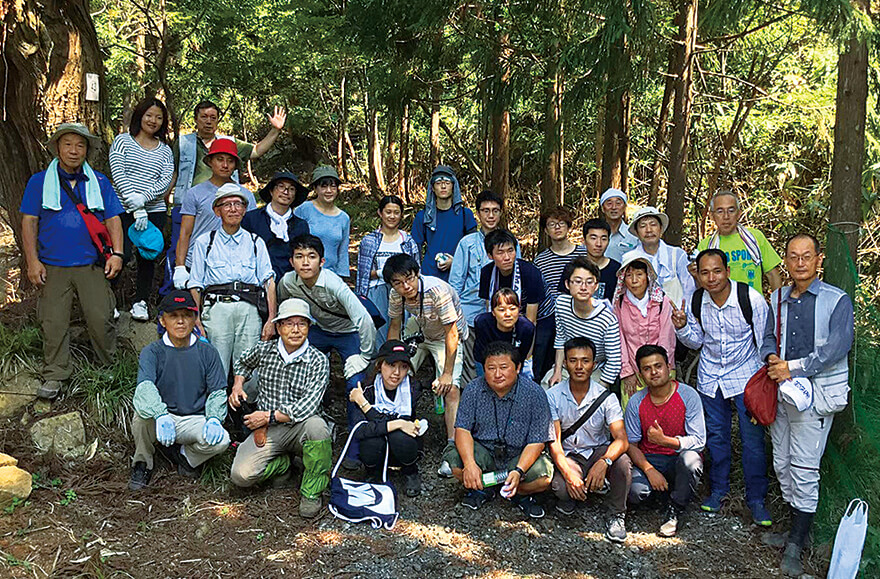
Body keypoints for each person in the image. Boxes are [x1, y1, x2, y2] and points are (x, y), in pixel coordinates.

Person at [760, 234, 854, 577]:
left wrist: (794, 367)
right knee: (782, 462)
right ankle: (794, 528)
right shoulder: (778, 298)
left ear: (818, 259)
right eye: (793, 256)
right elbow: (768, 335)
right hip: (783, 392)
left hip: (817, 395)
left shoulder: (836, 299)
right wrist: (771, 356)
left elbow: (837, 346)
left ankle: (797, 544)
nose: (800, 263)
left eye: (807, 256)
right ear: (785, 260)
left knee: (804, 466)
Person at [20, 123, 125, 400]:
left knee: (101, 317)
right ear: (57, 147)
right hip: (52, 264)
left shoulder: (99, 181)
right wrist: (32, 261)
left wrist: (117, 253)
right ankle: (55, 373)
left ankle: (107, 367)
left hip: (91, 263)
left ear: (87, 150)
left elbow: (113, 219)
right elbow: (29, 222)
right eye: (68, 144)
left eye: (80, 145)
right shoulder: (40, 181)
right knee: (53, 321)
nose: (74, 151)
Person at [671, 249, 772, 525]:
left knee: (752, 441)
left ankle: (756, 500)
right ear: (698, 275)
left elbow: (765, 341)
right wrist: (680, 327)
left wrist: (765, 382)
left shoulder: (749, 298)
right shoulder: (696, 300)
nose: (711, 278)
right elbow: (696, 342)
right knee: (716, 437)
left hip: (747, 377)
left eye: (717, 271)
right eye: (704, 272)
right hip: (711, 377)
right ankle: (718, 491)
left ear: (727, 271)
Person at [163, 101, 286, 295]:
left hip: (229, 249)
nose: (208, 122)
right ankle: (172, 301)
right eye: (204, 117)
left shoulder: (241, 188)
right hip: (189, 208)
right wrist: (163, 199)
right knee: (181, 256)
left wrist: (275, 131)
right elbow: (175, 172)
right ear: (195, 119)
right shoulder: (184, 143)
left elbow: (255, 151)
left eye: (213, 117)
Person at [277, 234, 376, 468]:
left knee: (356, 383)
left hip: (348, 332)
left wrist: (364, 356)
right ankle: (303, 435)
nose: (305, 263)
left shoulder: (333, 283)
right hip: (318, 330)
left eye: (311, 257)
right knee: (299, 372)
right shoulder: (288, 282)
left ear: (322, 261)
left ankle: (355, 447)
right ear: (291, 261)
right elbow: (285, 308)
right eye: (299, 257)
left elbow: (363, 319)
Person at [228, 298, 332, 519]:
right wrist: (238, 384)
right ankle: (284, 466)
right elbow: (243, 362)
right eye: (288, 324)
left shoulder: (318, 360)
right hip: (268, 429)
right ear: (278, 327)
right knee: (241, 476)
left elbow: (309, 405)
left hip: (300, 426)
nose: (295, 330)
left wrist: (267, 416)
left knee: (318, 427)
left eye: (301, 324)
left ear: (309, 327)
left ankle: (312, 491)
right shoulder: (264, 350)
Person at [128, 290, 230, 490]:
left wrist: (215, 418)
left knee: (222, 440)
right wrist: (160, 414)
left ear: (194, 319)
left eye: (186, 315)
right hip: (163, 416)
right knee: (141, 417)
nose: (180, 321)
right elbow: (145, 387)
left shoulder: (207, 352)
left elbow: (217, 391)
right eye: (173, 316)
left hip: (194, 419)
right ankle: (143, 463)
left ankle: (185, 457)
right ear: (162, 321)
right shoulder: (153, 352)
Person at [443, 341, 554, 518]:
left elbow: (538, 440)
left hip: (517, 455)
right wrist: (470, 464)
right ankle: (483, 489)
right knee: (455, 463)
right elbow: (462, 428)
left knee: (544, 478)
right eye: (491, 368)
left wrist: (519, 471)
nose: (497, 374)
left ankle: (518, 492)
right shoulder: (473, 389)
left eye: (503, 367)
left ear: (517, 368)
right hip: (485, 453)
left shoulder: (534, 394)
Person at [384, 253, 468, 475]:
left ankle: (453, 450)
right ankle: (396, 427)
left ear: (417, 273)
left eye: (409, 278)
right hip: (420, 328)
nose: (406, 286)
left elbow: (452, 333)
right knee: (394, 374)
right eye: (398, 283)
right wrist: (390, 360)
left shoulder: (436, 290)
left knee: (451, 390)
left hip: (446, 335)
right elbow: (394, 325)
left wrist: (447, 374)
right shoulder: (396, 294)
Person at [547, 338, 631, 543]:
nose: (579, 366)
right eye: (573, 360)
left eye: (585, 361)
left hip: (596, 452)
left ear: (594, 365)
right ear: (565, 363)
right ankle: (577, 493)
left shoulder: (606, 397)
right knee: (560, 487)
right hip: (569, 455)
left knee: (623, 462)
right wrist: (568, 474)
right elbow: (554, 443)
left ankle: (617, 514)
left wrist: (604, 462)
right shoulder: (553, 395)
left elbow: (622, 439)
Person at [187, 186, 276, 378]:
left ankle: (247, 407)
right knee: (216, 367)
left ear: (245, 210)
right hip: (217, 307)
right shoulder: (205, 242)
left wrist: (271, 319)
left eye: (238, 204)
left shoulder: (255, 242)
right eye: (227, 205)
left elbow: (269, 281)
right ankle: (216, 407)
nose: (233, 209)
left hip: (250, 309)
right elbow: (195, 284)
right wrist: (197, 321)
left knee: (250, 368)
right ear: (217, 211)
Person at [625, 345, 705, 538]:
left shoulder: (688, 395)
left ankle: (675, 509)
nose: (654, 372)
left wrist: (666, 441)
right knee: (635, 492)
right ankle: (661, 495)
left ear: (669, 367)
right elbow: (631, 445)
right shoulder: (636, 402)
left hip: (678, 457)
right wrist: (649, 470)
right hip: (651, 458)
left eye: (658, 366)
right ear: (640, 374)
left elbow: (700, 440)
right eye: (647, 368)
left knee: (691, 461)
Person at [108, 97, 174, 320]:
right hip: (122, 209)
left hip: (154, 210)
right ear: (140, 116)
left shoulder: (165, 150)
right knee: (121, 253)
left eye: (158, 117)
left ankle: (141, 302)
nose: (153, 121)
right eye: (149, 115)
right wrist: (133, 203)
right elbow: (118, 172)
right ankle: (108, 300)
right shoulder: (122, 142)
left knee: (148, 256)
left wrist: (143, 199)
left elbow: (165, 180)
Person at [173, 140, 258, 288]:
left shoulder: (245, 195)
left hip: (232, 263)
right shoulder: (195, 193)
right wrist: (180, 267)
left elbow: (251, 232)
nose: (225, 165)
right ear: (210, 162)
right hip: (197, 260)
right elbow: (185, 233)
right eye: (220, 159)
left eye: (230, 161)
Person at [449, 190, 511, 386]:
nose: (491, 216)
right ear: (478, 213)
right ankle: (473, 405)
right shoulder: (467, 244)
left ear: (501, 213)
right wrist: (454, 316)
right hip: (471, 314)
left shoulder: (510, 243)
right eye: (486, 211)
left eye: (495, 211)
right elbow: (456, 283)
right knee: (471, 365)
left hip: (503, 315)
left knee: (499, 364)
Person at [348, 340, 424, 497]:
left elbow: (406, 423)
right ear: (379, 365)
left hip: (401, 448)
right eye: (391, 365)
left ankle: (410, 471)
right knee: (371, 437)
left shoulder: (412, 387)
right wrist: (399, 423)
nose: (396, 372)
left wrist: (366, 407)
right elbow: (359, 430)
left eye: (403, 367)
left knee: (400, 435)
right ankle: (372, 472)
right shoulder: (366, 387)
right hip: (376, 449)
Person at [533, 206, 589, 382]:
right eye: (551, 224)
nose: (557, 227)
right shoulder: (540, 260)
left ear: (569, 226)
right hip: (550, 316)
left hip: (579, 312)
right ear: (545, 230)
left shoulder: (583, 253)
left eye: (561, 223)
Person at [612, 254, 676, 407]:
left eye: (639, 274)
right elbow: (619, 339)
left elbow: (666, 338)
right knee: (633, 412)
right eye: (629, 275)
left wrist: (659, 369)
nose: (634, 280)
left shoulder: (662, 301)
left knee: (664, 410)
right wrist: (627, 371)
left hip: (661, 368)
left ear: (648, 276)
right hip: (633, 371)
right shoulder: (619, 304)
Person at [356, 195, 420, 346]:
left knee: (403, 331)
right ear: (380, 213)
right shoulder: (369, 241)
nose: (392, 216)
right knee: (378, 332)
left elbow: (416, 271)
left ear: (401, 215)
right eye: (388, 212)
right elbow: (363, 274)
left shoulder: (408, 241)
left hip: (403, 291)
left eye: (396, 212)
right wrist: (382, 273)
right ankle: (379, 366)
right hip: (376, 290)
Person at [549, 258, 621, 389]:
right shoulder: (561, 304)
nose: (583, 287)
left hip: (595, 368)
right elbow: (561, 339)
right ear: (567, 284)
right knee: (548, 391)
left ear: (596, 286)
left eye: (589, 282)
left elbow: (614, 361)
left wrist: (600, 390)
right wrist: (557, 371)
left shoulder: (607, 319)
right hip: (568, 365)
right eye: (577, 282)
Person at [695, 190, 782, 293]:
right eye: (720, 211)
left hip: (753, 305)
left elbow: (772, 274)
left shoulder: (755, 238)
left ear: (739, 213)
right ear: (712, 216)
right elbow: (702, 284)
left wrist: (779, 305)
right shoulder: (705, 246)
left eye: (731, 210)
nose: (726, 217)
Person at [411, 165, 478, 281]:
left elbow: (473, 247)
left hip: (458, 276)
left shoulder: (465, 214)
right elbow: (414, 248)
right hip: (429, 275)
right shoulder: (423, 216)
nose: (443, 186)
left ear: (453, 186)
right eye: (438, 183)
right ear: (432, 188)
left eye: (447, 182)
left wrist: (456, 261)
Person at [241, 171, 310, 281]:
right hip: (255, 281)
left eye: (291, 189)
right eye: (281, 187)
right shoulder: (251, 219)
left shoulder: (300, 225)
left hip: (289, 282)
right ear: (271, 191)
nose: (286, 192)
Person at [627, 207, 695, 304]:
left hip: (676, 316)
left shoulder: (677, 255)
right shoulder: (630, 258)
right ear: (637, 233)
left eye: (653, 225)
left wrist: (684, 314)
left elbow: (689, 290)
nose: (649, 230)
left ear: (661, 229)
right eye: (643, 226)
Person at [478, 229, 545, 327]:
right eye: (500, 253)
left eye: (510, 251)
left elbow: (531, 321)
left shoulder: (530, 273)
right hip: (507, 316)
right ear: (490, 255)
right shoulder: (486, 273)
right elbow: (490, 308)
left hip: (541, 315)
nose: (507, 257)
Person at [294, 165, 351, 278]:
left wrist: (342, 277)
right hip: (304, 275)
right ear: (315, 188)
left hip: (331, 275)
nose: (329, 191)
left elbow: (343, 251)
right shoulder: (303, 209)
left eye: (333, 186)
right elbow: (293, 242)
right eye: (323, 186)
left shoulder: (343, 218)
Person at [473, 289, 536, 376]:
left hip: (513, 362)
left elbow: (521, 356)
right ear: (493, 312)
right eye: (502, 310)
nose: (508, 314)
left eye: (513, 309)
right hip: (486, 361)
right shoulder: (482, 323)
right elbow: (481, 355)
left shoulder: (526, 328)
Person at [581, 219, 620, 301]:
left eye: (603, 239)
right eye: (593, 238)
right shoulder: (574, 268)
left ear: (609, 241)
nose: (598, 244)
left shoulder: (617, 270)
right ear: (584, 240)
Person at [599, 188, 638, 262]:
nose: (614, 207)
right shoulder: (595, 234)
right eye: (609, 204)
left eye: (618, 203)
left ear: (624, 207)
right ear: (603, 209)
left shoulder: (633, 235)